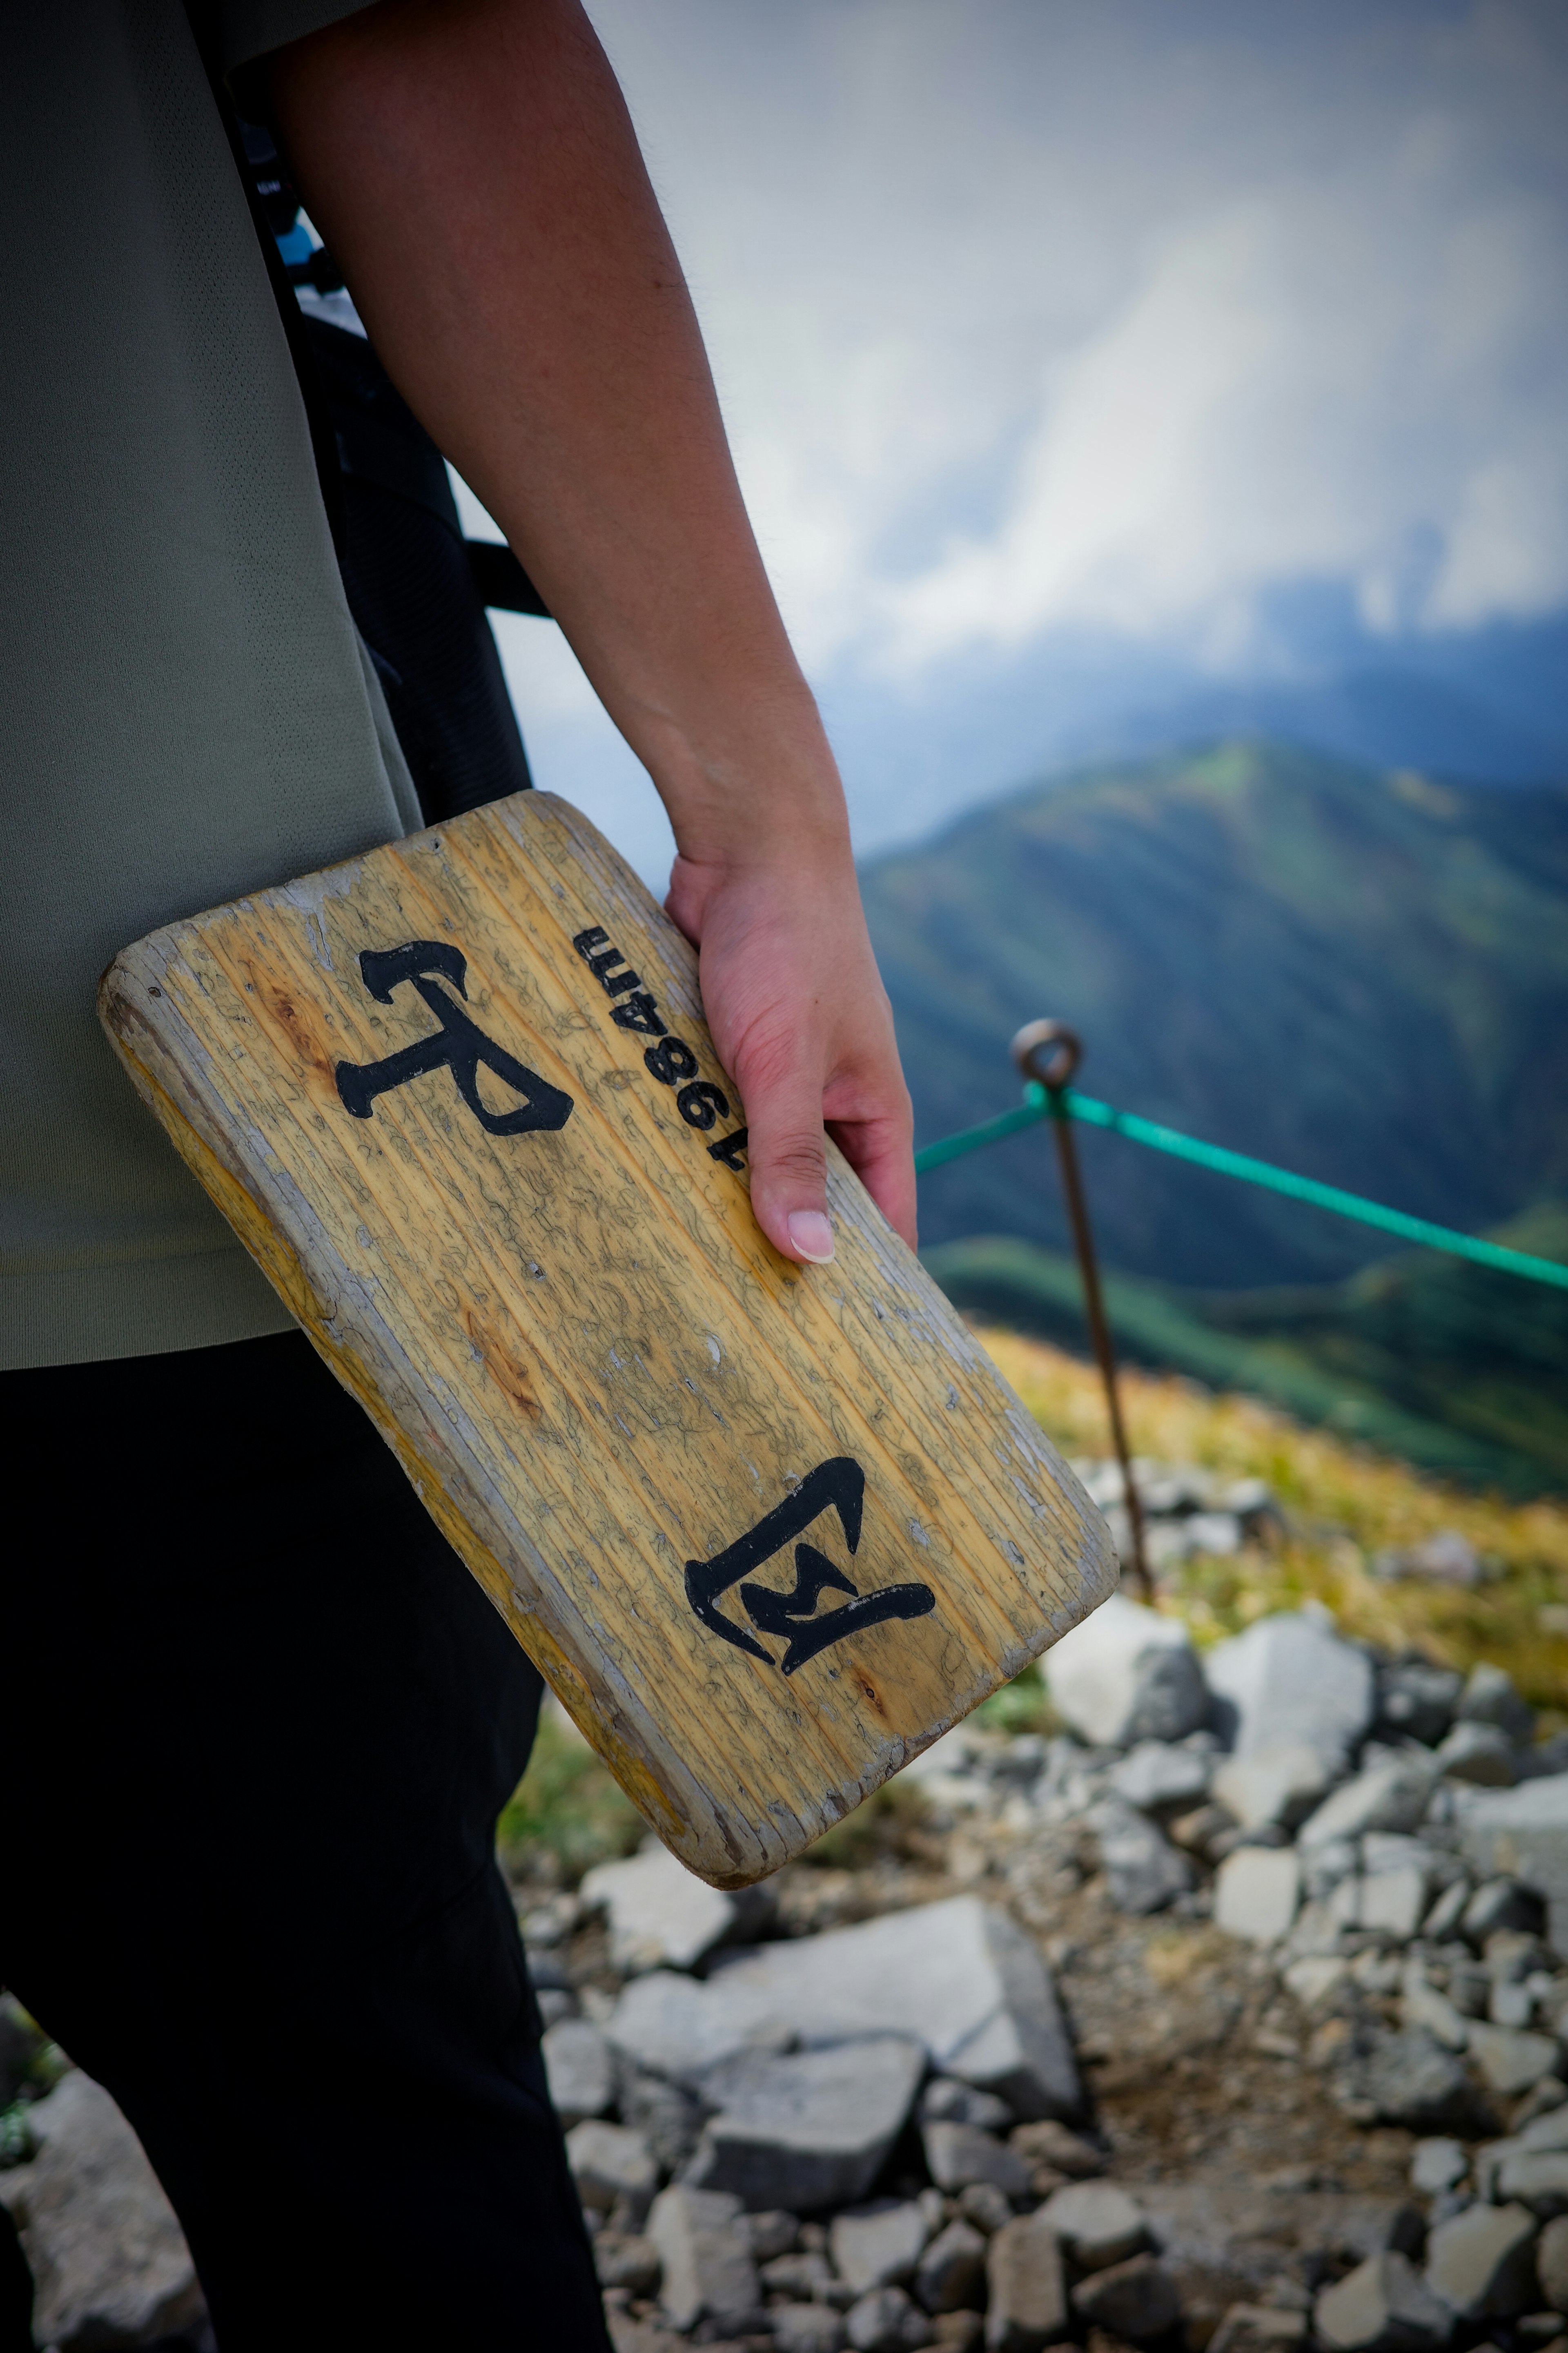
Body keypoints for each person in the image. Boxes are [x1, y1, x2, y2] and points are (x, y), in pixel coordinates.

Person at [0, 2, 915, 2345]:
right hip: (203, 1161)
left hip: (220, 1142)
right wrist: (769, 823)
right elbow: (415, 30)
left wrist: (768, 824)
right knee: (372, 2155)